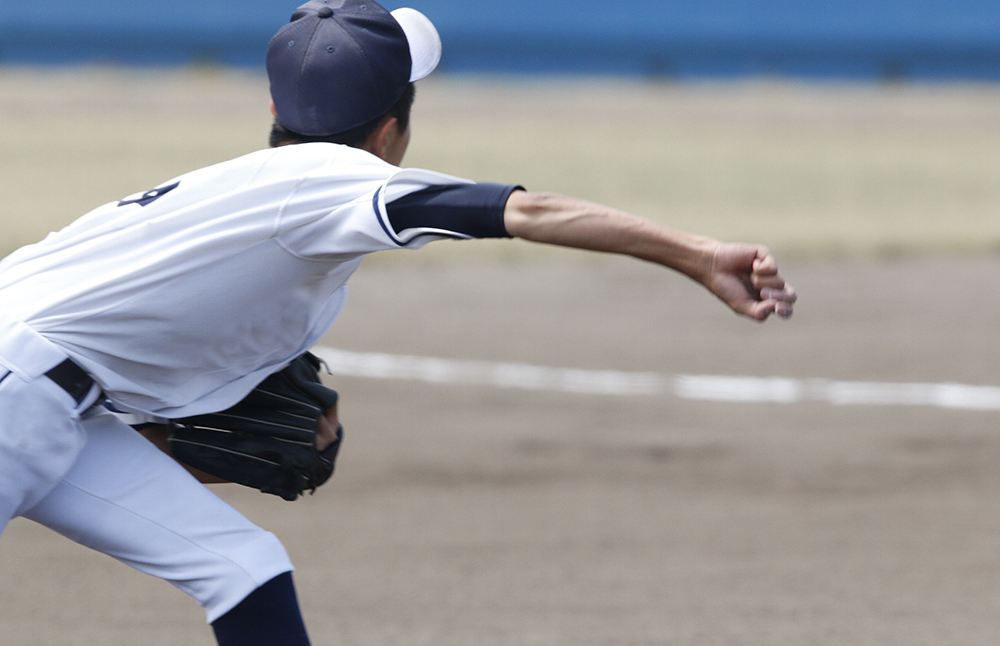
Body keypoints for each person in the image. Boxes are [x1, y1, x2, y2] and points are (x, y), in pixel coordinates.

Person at [0, 1, 797, 644]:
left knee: (240, 565)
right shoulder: (339, 182)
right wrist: (696, 255)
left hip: (42, 405)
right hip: (19, 398)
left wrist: (172, 446)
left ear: (275, 106)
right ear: (390, 132)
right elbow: (526, 211)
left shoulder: (228, 193)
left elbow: (79, 370)